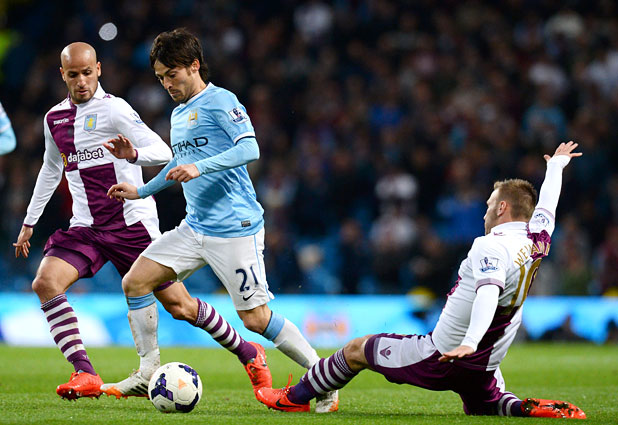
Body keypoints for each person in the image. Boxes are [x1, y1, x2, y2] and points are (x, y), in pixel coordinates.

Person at [256, 141, 587, 419]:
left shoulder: (491, 245)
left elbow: (489, 292)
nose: (484, 212)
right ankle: (522, 408)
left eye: (489, 205)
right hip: (486, 365)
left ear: (502, 208)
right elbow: (548, 205)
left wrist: (469, 342)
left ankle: (293, 398)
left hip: (444, 354)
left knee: (357, 350)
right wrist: (555, 167)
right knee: (484, 405)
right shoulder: (538, 238)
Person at [13, 42, 269, 401]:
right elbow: (51, 168)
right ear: (63, 76)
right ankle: (85, 373)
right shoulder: (54, 119)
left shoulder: (115, 109)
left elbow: (163, 151)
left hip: (130, 225)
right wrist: (30, 221)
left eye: (87, 73)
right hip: (86, 227)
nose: (81, 81)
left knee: (180, 306)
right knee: (45, 282)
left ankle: (247, 351)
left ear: (98, 70)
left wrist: (132, 154)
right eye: (73, 75)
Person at [106, 28, 338, 412]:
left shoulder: (220, 100)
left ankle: (323, 376)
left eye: (172, 75)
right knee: (136, 282)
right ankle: (148, 371)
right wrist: (142, 190)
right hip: (194, 225)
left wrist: (201, 167)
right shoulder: (179, 113)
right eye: (161, 78)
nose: (167, 84)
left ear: (194, 65)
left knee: (256, 319)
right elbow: (179, 163)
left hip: (235, 228)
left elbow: (250, 148)